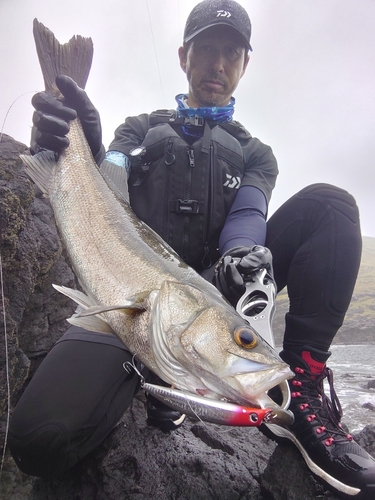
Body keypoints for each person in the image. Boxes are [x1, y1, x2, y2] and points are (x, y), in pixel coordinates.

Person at [8, 0, 375, 497]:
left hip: (216, 290)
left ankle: (303, 397)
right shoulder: (138, 130)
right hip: (128, 290)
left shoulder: (255, 153)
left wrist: (243, 256)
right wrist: (81, 148)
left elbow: (248, 214)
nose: (218, 65)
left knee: (330, 208)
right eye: (206, 50)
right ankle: (154, 367)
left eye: (231, 53)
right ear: (183, 56)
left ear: (246, 64)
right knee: (40, 441)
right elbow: (111, 189)